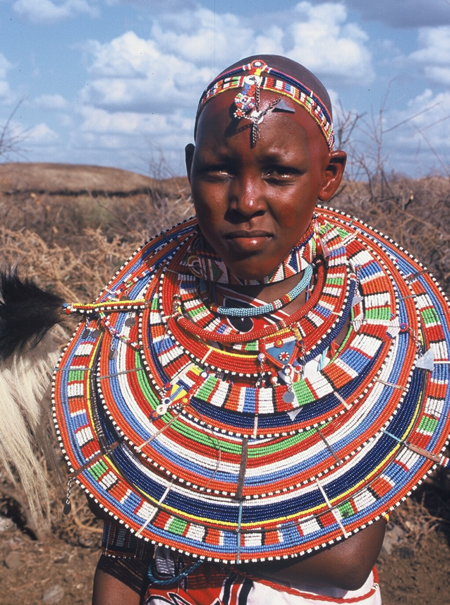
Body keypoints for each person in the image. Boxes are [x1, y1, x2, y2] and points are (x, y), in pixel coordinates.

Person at [2, 54, 450, 605]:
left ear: (328, 176)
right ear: (190, 167)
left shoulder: (379, 326)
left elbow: (345, 557)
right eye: (218, 171)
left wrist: (160, 501)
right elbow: (120, 554)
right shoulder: (137, 327)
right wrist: (150, 508)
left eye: (279, 173)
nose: (245, 202)